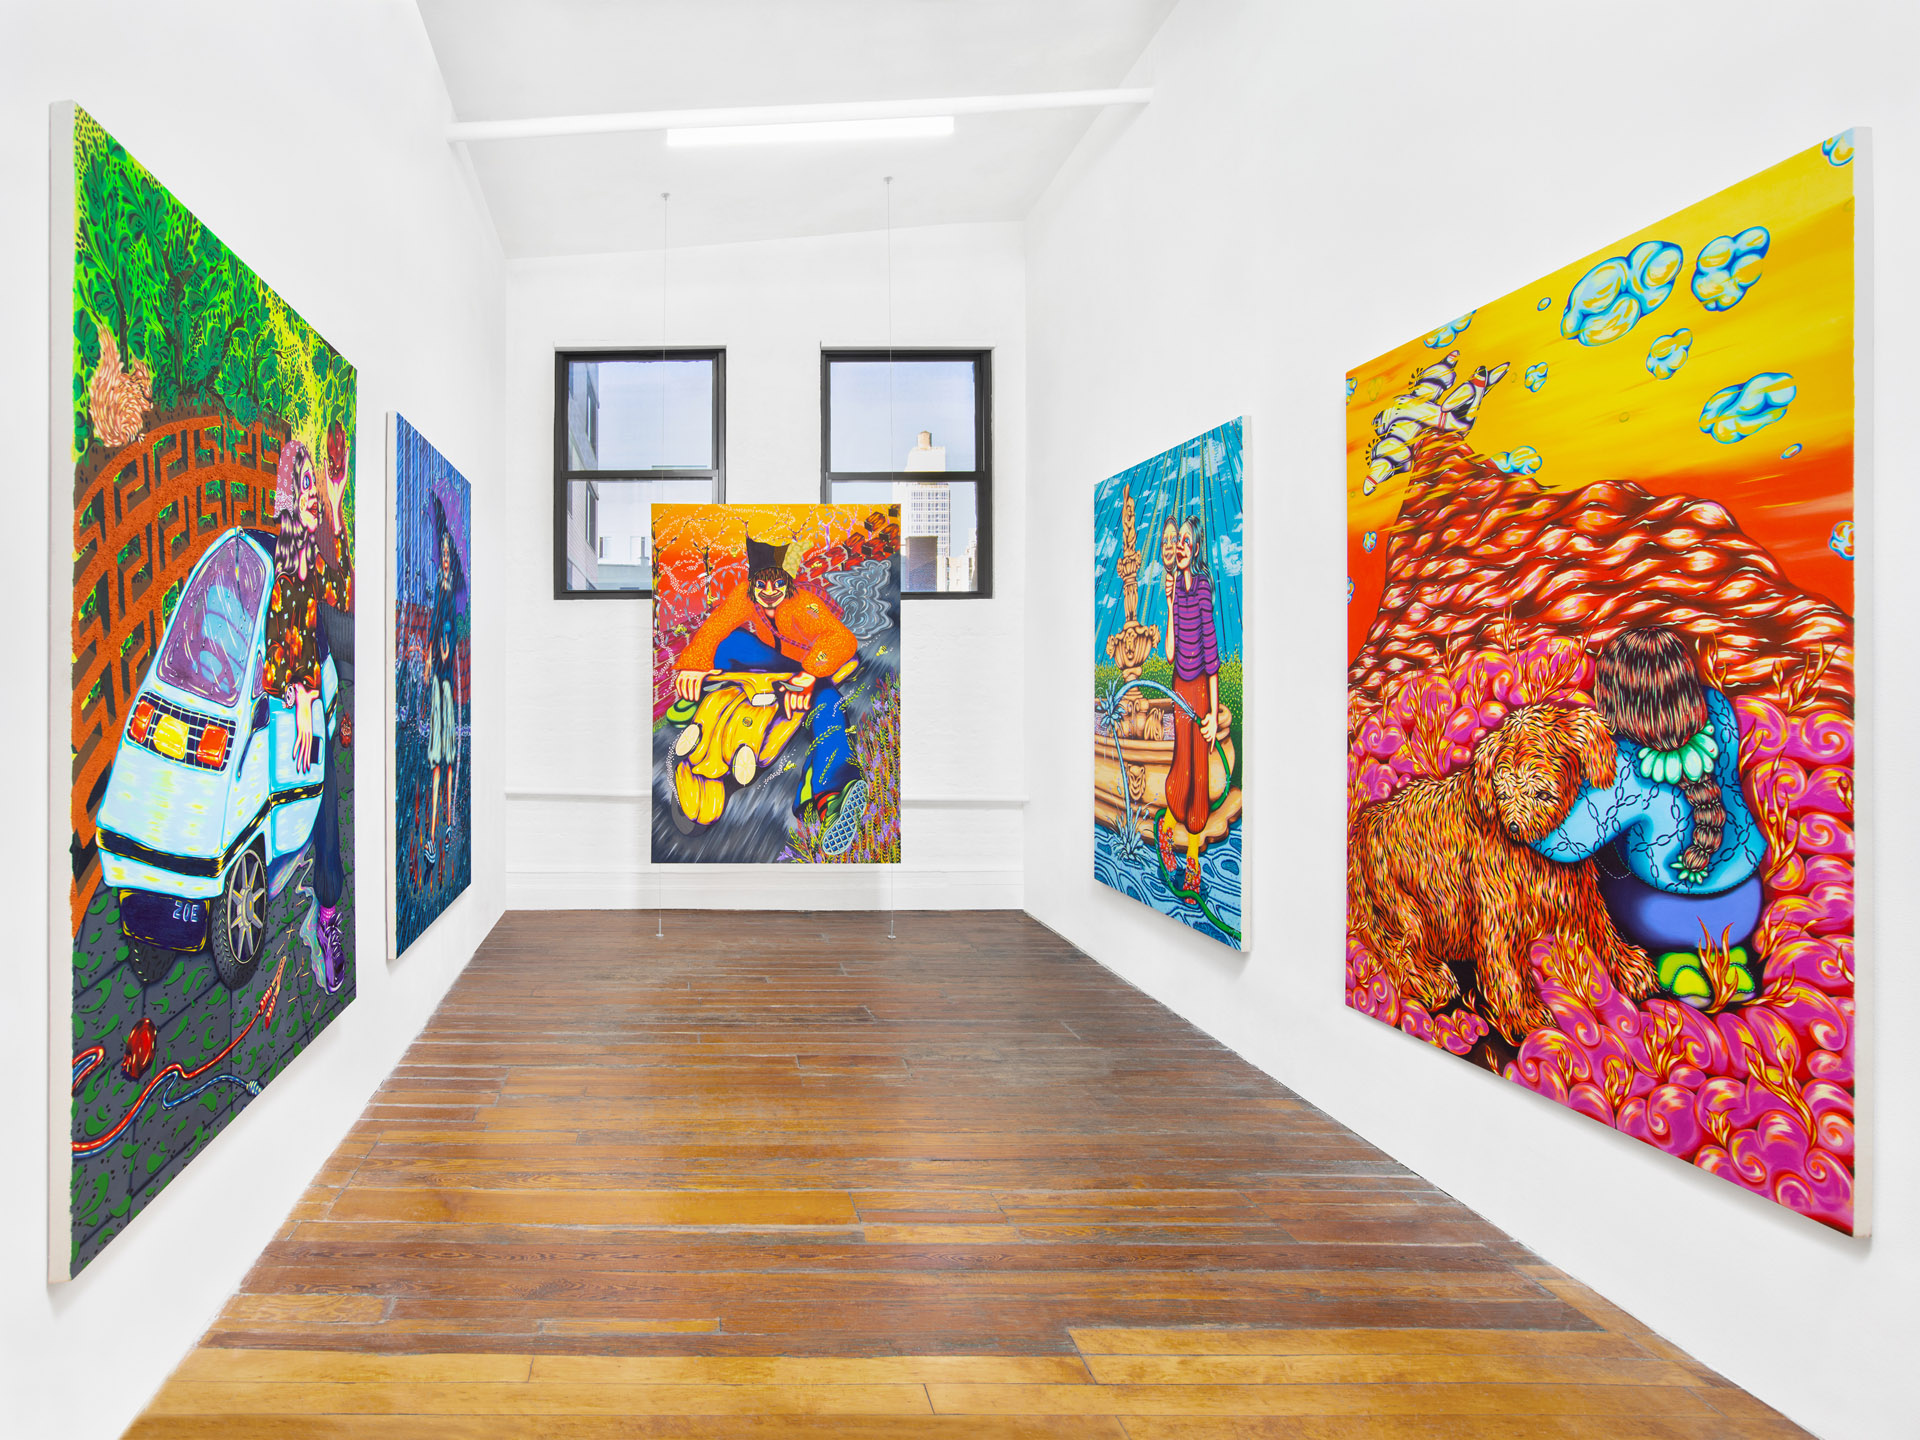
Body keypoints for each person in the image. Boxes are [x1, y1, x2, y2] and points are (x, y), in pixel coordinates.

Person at [1533, 626, 1767, 1006]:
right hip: (1745, 904)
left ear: (1612, 701)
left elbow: (1565, 844)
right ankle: (1733, 961)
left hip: (1663, 917)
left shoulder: (1625, 766)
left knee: (1605, 861)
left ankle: (1675, 964)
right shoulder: (1719, 712)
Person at [673, 534, 864, 833]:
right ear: (752, 584)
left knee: (828, 706)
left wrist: (809, 676)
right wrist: (694, 667)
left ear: (787, 582)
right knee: (729, 642)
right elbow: (716, 626)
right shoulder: (744, 596)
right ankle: (700, 698)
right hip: (774, 662)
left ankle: (831, 796)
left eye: (777, 584)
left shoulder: (805, 605)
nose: (769, 592)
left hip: (811, 667)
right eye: (761, 585)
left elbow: (841, 638)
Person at [262, 429, 352, 991]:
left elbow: (342, 593)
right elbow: (280, 640)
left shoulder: (313, 563)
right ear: (289, 496)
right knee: (303, 807)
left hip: (315, 708)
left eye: (313, 480)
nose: (312, 488)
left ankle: (326, 916)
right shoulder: (282, 573)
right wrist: (299, 695)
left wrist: (337, 505)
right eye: (305, 482)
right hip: (290, 715)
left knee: (327, 811)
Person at [1159, 513, 1222, 899]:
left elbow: (1211, 655)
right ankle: (1167, 829)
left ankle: (1194, 860)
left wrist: (1213, 713)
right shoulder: (1179, 593)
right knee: (1181, 762)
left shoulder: (1200, 589)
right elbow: (1169, 654)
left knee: (1199, 771)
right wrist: (1169, 604)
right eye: (1177, 539)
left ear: (1195, 547)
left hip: (1199, 689)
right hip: (1179, 687)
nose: (1179, 545)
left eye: (1186, 539)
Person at [424, 498, 464, 868]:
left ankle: (446, 824)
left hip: (446, 684)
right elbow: (436, 629)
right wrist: (430, 656)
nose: (446, 559)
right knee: (439, 762)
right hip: (440, 683)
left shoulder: (449, 593)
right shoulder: (441, 590)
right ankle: (436, 830)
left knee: (447, 762)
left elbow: (446, 632)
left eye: (449, 554)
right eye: (444, 554)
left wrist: (445, 646)